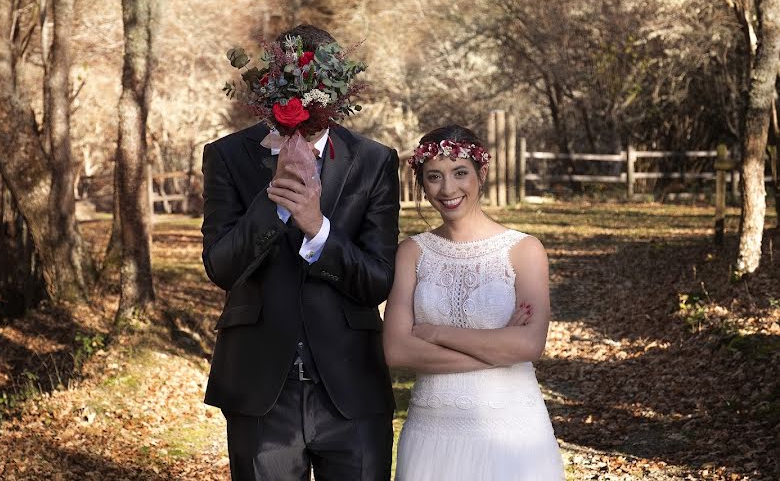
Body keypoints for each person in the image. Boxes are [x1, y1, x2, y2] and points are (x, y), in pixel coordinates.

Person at [201, 24, 400, 480]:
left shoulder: (374, 162)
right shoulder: (227, 156)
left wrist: (318, 229)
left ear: (337, 89)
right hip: (260, 390)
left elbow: (376, 280)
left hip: (352, 388)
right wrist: (274, 205)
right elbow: (221, 266)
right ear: (269, 85)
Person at [383, 125, 565, 480]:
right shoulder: (411, 253)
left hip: (512, 430)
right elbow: (396, 351)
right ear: (422, 183)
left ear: (481, 173)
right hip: (431, 432)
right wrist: (497, 349)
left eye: (460, 173)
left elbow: (529, 344)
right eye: (434, 176)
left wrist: (434, 332)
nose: (448, 189)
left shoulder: (524, 250)